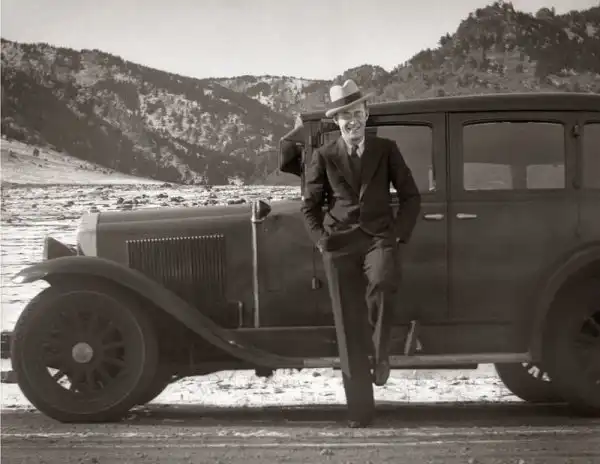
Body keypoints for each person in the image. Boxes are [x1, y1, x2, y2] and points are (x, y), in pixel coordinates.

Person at [300, 79, 422, 427]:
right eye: (344, 116)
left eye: (356, 112)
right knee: (347, 325)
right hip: (338, 244)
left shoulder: (386, 149)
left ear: (366, 114)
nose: (351, 121)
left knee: (383, 282)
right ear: (336, 122)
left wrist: (397, 235)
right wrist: (321, 240)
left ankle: (380, 354)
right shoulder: (324, 155)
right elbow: (309, 207)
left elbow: (411, 196)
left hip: (378, 239)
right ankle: (360, 412)